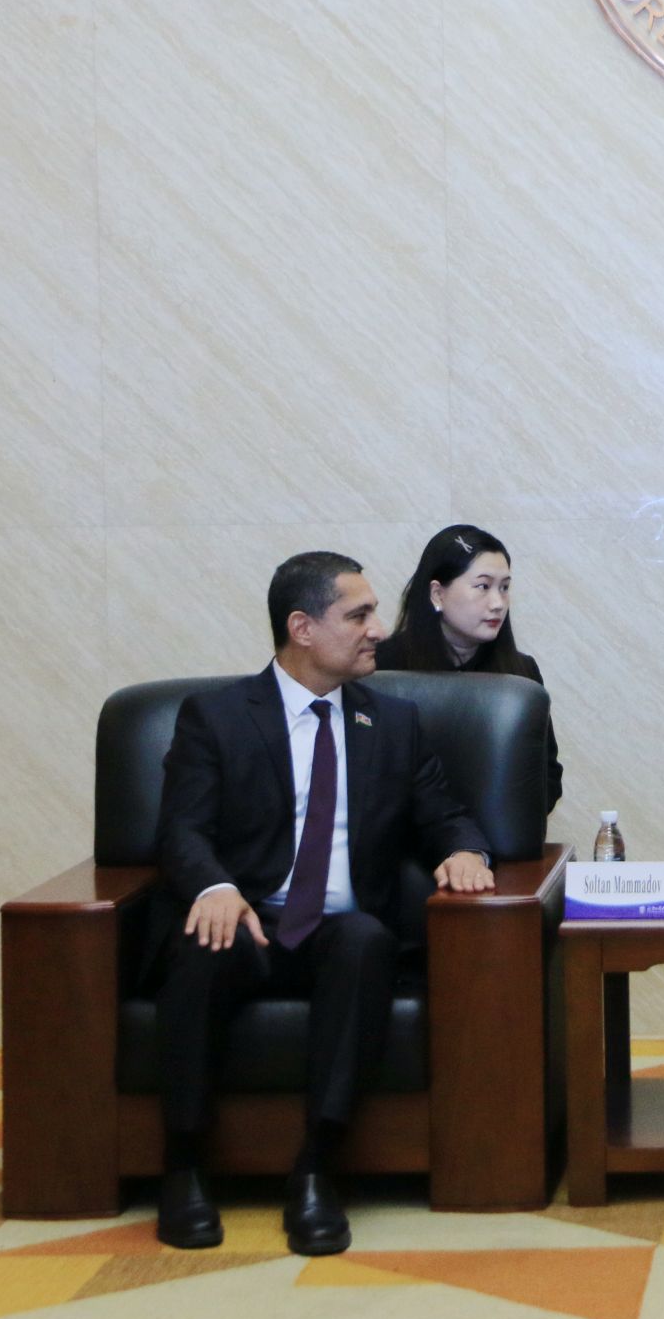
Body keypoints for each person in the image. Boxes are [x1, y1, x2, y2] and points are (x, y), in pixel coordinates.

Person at [152, 551, 495, 1256]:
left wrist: (467, 851)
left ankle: (316, 1167)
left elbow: (446, 815)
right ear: (302, 628)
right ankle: (184, 1166)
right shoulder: (216, 719)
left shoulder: (392, 723)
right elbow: (182, 830)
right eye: (358, 615)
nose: (379, 630)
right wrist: (217, 888)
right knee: (206, 940)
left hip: (341, 930)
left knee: (365, 940)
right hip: (248, 920)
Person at [376, 525, 562, 813]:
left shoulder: (522, 672)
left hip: (497, 836)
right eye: (483, 587)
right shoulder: (381, 666)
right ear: (437, 594)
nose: (498, 604)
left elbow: (546, 774)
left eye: (504, 587)